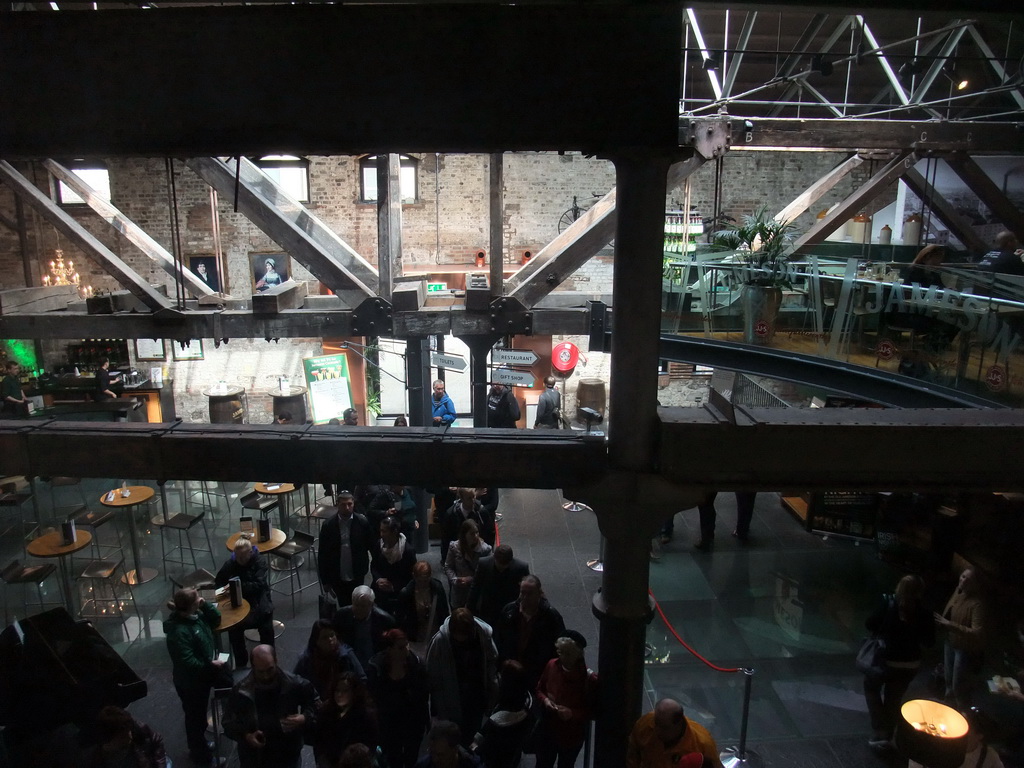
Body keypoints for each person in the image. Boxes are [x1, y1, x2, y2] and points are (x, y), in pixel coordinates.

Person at [862, 574, 935, 749]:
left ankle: (879, 729)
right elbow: (929, 641)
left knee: (871, 688)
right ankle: (887, 734)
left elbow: (870, 623)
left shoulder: (889, 604)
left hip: (885, 661)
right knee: (894, 699)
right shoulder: (924, 612)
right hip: (909, 665)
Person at [222, 644, 318, 768]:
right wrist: (246, 736)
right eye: (260, 672)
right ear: (253, 667)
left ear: (276, 661)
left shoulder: (294, 684)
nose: (266, 676)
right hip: (255, 757)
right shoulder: (240, 691)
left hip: (287, 753)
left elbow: (316, 703)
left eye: (270, 669)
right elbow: (228, 722)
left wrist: (304, 717)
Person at [163, 587, 226, 767]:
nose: (200, 600)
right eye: (198, 599)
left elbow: (216, 619)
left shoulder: (195, 616)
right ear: (191, 605)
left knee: (196, 717)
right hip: (191, 683)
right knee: (195, 721)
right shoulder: (179, 632)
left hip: (201, 676)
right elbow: (187, 662)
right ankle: (203, 758)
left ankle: (200, 746)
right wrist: (209, 665)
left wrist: (205, 605)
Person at [425, 608, 498, 748]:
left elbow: (491, 661)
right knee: (453, 740)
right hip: (451, 701)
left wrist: (491, 689)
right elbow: (433, 678)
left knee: (471, 736)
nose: (461, 640)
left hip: (475, 698)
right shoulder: (440, 642)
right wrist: (440, 710)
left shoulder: (482, 636)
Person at [367, 629, 430, 768]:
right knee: (392, 759)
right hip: (389, 724)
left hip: (412, 723)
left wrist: (425, 721)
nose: (407, 649)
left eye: (407, 645)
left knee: (411, 759)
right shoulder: (376, 667)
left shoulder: (417, 664)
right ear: (389, 649)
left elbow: (424, 695)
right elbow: (374, 697)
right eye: (401, 647)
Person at [534, 631, 598, 768]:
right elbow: (540, 689)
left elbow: (595, 711)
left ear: (578, 654)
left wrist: (572, 713)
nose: (562, 657)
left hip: (571, 737)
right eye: (560, 652)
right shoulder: (552, 665)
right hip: (548, 731)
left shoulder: (589, 679)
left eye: (567, 653)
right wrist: (545, 700)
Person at [494, 574, 565, 689]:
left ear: (539, 594)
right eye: (523, 592)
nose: (525, 597)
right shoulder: (509, 611)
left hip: (537, 672)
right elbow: (499, 639)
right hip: (512, 669)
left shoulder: (551, 617)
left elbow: (558, 647)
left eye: (530, 593)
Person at [215, 536, 275, 667]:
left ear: (250, 553)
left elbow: (259, 585)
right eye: (237, 557)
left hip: (259, 601)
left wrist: (237, 587)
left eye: (243, 557)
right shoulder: (231, 563)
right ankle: (241, 664)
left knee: (266, 627)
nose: (240, 560)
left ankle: (269, 658)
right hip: (238, 604)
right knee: (234, 631)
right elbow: (219, 580)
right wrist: (224, 590)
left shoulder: (259, 562)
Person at [936, 566, 987, 709]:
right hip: (950, 641)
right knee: (948, 679)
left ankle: (962, 712)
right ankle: (947, 707)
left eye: (968, 580)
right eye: (963, 576)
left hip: (964, 648)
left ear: (976, 584)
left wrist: (950, 624)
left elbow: (977, 632)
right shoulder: (958, 592)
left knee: (958, 685)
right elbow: (950, 610)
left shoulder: (977, 604)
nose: (963, 581)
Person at [472, 660, 535, 768]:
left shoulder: (500, 721)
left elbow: (486, 748)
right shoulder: (526, 702)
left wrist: (475, 747)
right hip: (513, 758)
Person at [626, 698, 721, 768]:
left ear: (679, 723)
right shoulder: (645, 724)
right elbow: (633, 753)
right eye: (656, 723)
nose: (657, 731)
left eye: (664, 728)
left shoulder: (702, 743)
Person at [318, 491, 374, 608]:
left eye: (349, 504)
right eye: (343, 504)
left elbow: (371, 546)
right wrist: (325, 581)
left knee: (358, 602)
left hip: (357, 570)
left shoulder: (362, 522)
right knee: (343, 603)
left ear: (354, 504)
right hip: (337, 572)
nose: (347, 507)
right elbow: (323, 555)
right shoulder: (328, 525)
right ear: (337, 505)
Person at [312, 671, 379, 768]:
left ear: (354, 692)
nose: (339, 694)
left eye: (345, 691)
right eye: (337, 690)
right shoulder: (325, 712)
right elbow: (318, 742)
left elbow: (371, 744)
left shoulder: (366, 715)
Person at [293, 619, 367, 700]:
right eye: (324, 638)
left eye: (332, 635)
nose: (330, 640)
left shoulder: (346, 655)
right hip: (319, 703)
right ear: (316, 641)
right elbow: (296, 683)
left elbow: (362, 678)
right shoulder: (307, 660)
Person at [79, 705, 168, 768]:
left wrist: (160, 765)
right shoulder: (97, 762)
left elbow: (157, 742)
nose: (130, 736)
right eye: (122, 736)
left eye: (128, 731)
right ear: (109, 739)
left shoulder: (135, 728)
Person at [333, 585, 397, 668]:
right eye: (356, 605)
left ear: (371, 605)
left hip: (376, 662)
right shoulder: (341, 616)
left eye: (363, 606)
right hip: (350, 661)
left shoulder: (385, 620)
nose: (359, 609)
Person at [468, 544, 530, 629]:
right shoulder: (484, 564)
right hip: (488, 609)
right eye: (499, 564)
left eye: (505, 565)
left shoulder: (521, 568)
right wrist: (469, 609)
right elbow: (475, 587)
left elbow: (527, 590)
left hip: (510, 610)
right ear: (494, 558)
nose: (501, 568)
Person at [395, 559, 450, 653]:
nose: (423, 584)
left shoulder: (437, 588)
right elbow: (400, 618)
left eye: (426, 580)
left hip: (435, 632)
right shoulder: (406, 593)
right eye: (420, 581)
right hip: (415, 635)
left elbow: (444, 611)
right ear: (414, 576)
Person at [370, 516, 416, 615]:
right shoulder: (379, 545)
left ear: (394, 532)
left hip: (399, 593)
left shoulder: (407, 551)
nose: (381, 534)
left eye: (384, 531)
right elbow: (374, 566)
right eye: (380, 531)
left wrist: (393, 586)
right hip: (380, 591)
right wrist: (378, 580)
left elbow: (411, 575)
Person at [444, 518, 492, 610]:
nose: (476, 536)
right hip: (459, 592)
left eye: (477, 532)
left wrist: (470, 579)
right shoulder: (454, 547)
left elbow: (488, 572)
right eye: (472, 533)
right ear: (464, 534)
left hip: (476, 592)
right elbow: (448, 566)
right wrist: (455, 580)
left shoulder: (485, 550)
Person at [441, 487, 495, 562]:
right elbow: (445, 538)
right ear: (461, 499)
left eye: (474, 496)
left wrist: (489, 555)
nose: (473, 500)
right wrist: (445, 560)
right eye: (469, 498)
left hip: (479, 554)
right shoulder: (451, 514)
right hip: (458, 554)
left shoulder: (482, 512)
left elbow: (490, 534)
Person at [413, 721, 480, 768]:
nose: (435, 759)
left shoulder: (473, 765)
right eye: (432, 752)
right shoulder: (423, 765)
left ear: (455, 750)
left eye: (440, 755)